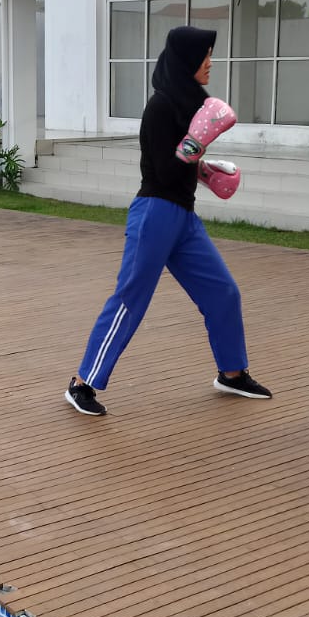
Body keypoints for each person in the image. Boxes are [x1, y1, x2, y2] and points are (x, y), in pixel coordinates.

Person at [65, 24, 271, 417]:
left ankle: (232, 373)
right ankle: (82, 382)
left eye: (210, 54)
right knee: (130, 299)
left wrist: (207, 171)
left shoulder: (191, 104)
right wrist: (197, 144)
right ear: (185, 59)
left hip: (183, 218)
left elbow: (182, 164)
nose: (210, 63)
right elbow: (163, 168)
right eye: (204, 55)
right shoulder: (161, 106)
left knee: (223, 292)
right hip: (155, 214)